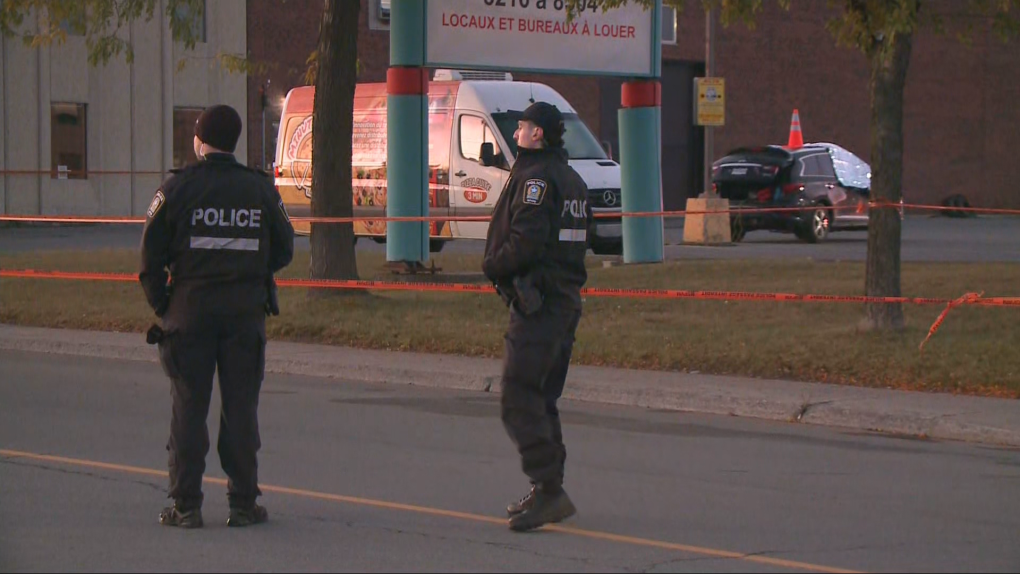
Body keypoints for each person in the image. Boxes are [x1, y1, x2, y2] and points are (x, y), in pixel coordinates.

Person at [139, 104, 295, 529]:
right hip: (244, 316)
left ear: (198, 140)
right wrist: (253, 274)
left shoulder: (176, 189)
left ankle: (186, 506)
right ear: (235, 141)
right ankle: (243, 504)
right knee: (241, 409)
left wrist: (163, 304)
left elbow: (149, 257)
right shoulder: (260, 190)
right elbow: (285, 248)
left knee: (189, 409)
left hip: (189, 316)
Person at [482, 101, 593, 532]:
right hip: (564, 302)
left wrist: (493, 265)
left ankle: (549, 488)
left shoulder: (537, 181)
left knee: (518, 395)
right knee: (542, 397)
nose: (516, 134)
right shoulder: (574, 181)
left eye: (524, 127)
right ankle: (547, 487)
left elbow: (527, 243)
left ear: (539, 134)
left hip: (538, 304)